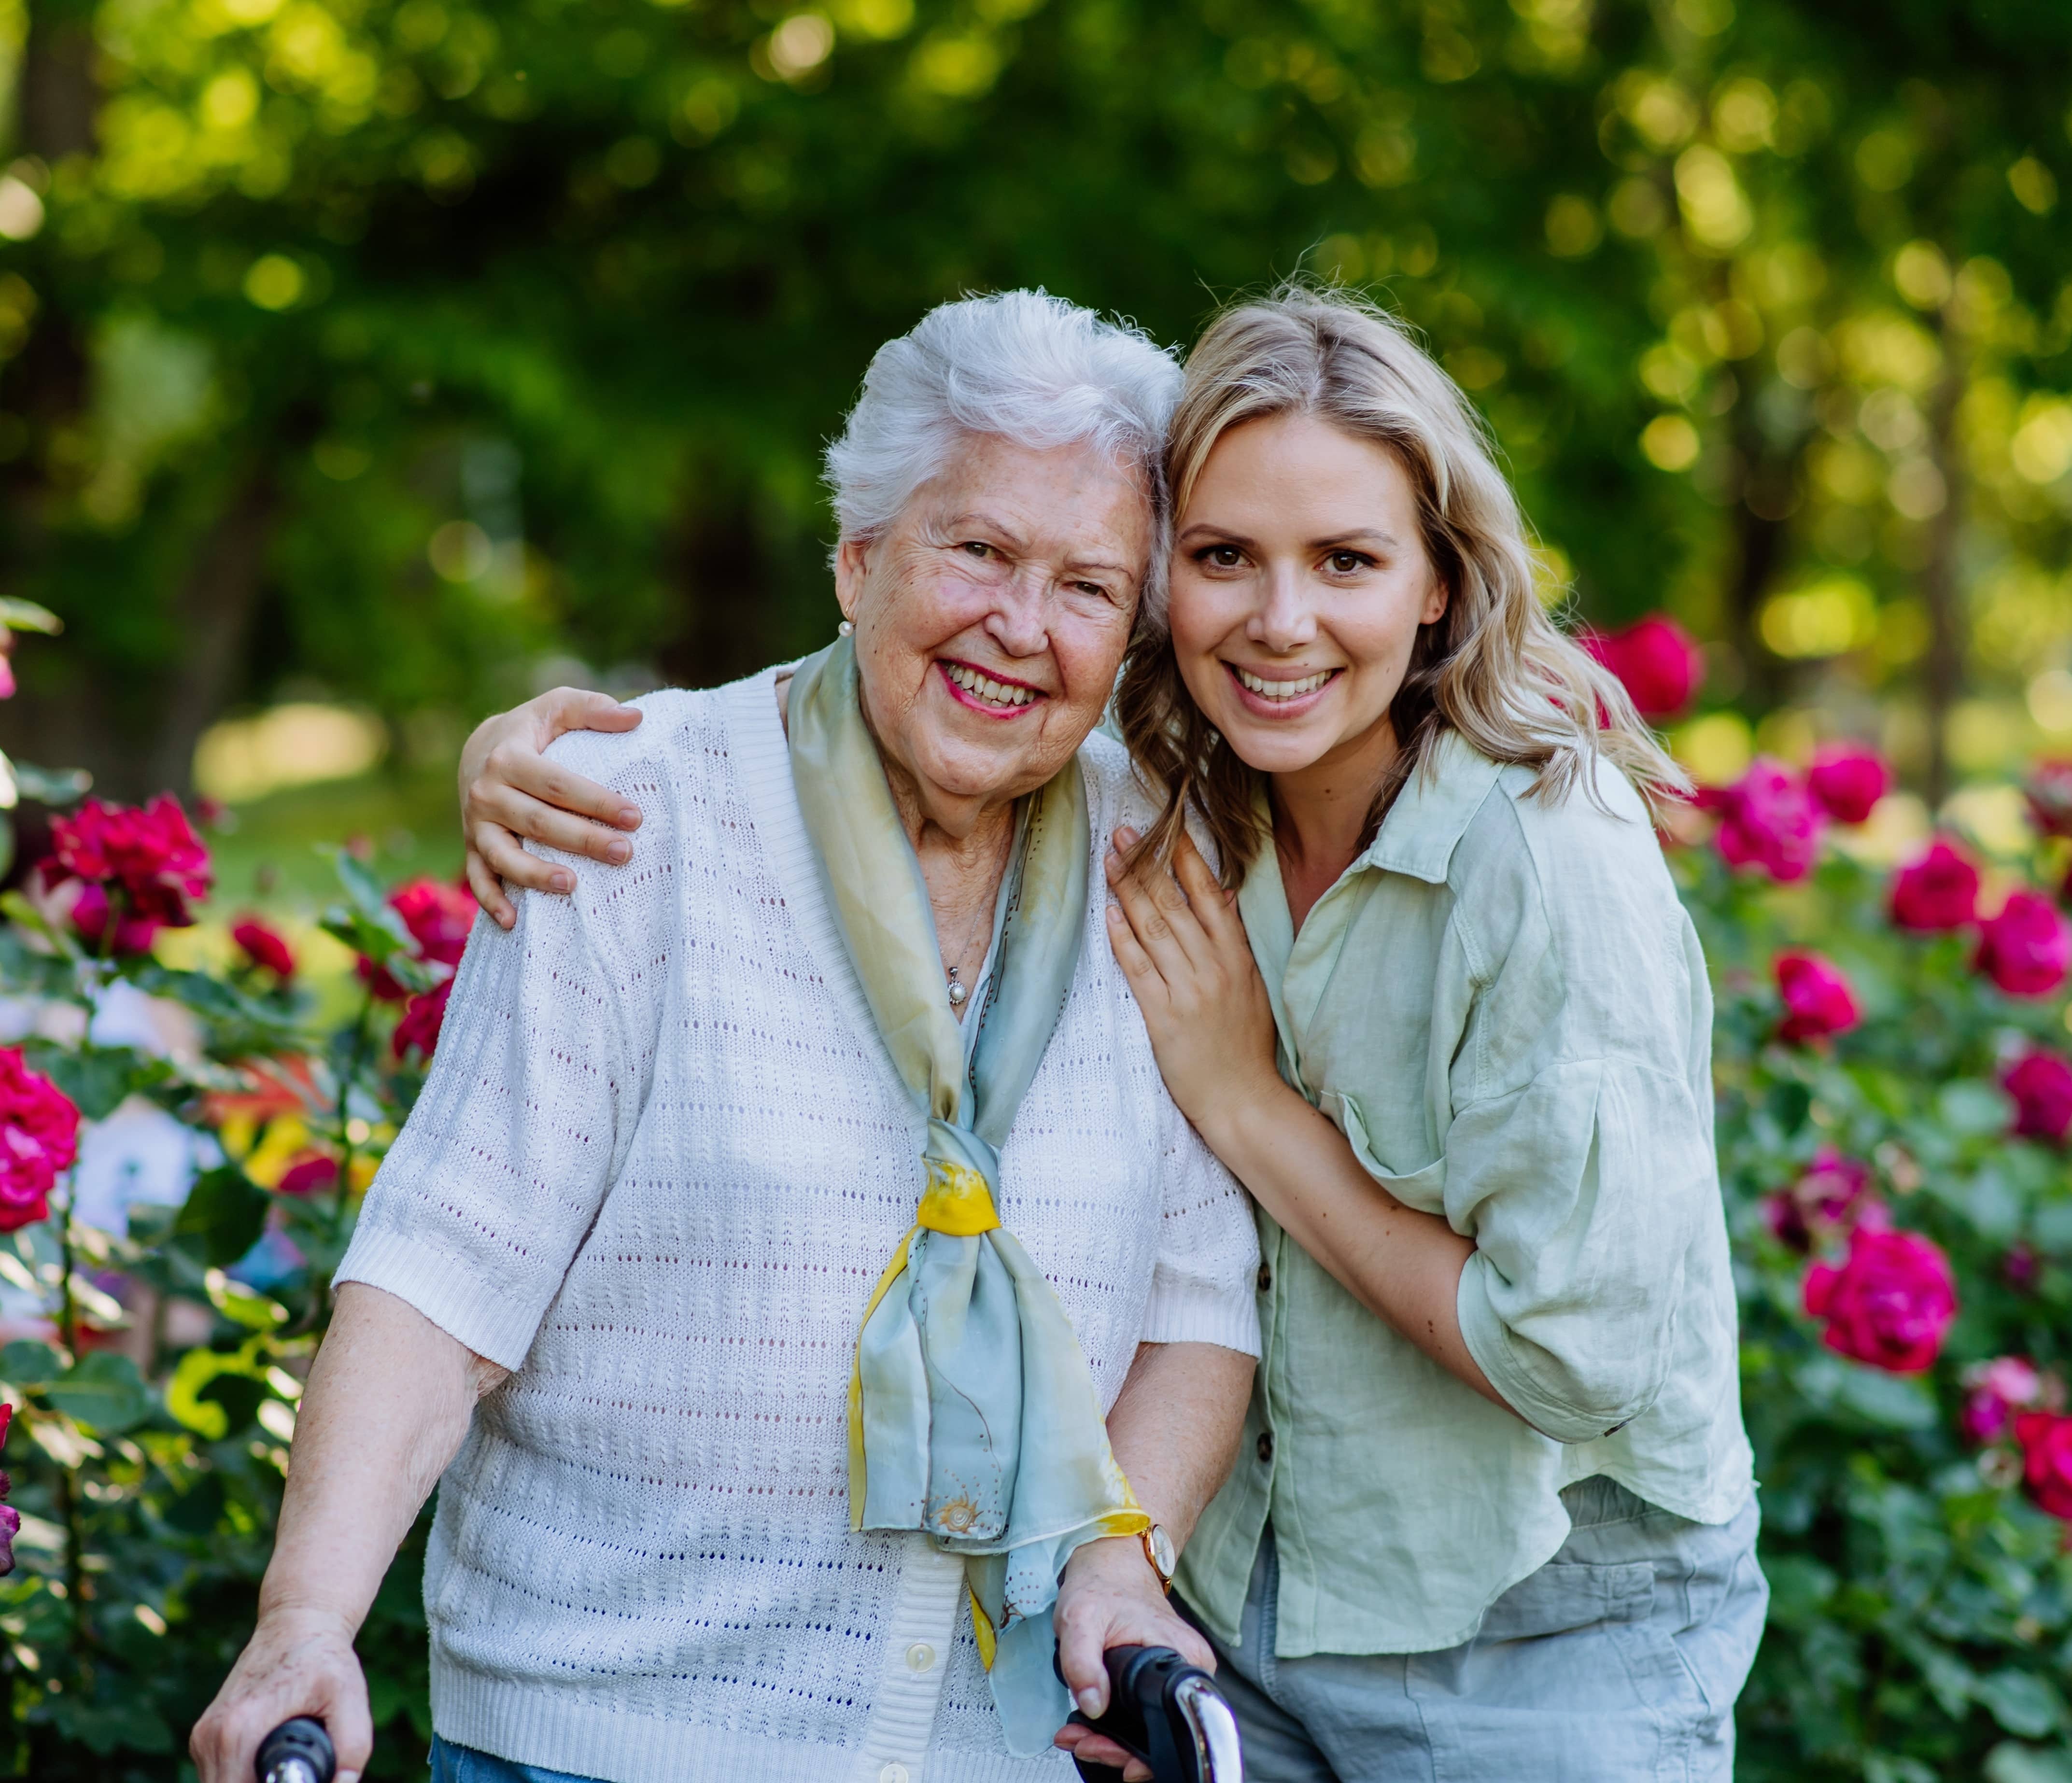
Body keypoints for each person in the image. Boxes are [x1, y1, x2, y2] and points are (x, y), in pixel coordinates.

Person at [462, 283, 1765, 1782]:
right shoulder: (1168, 799)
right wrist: (525, 758)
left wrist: (1243, 1099)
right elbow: (917, 685)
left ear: (1437, 582)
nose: (1280, 623)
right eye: (1222, 559)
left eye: (1345, 560)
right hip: (1235, 1619)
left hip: (1531, 1632)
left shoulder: (1544, 857)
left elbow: (1570, 1352)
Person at [190, 290, 1264, 1783]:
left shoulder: (1154, 862)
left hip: (994, 1749)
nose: (1022, 626)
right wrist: (303, 1624)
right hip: (602, 1734)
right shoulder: (631, 814)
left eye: (1089, 586)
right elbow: (446, 1269)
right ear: (857, 558)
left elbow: (1197, 1297)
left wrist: (1119, 1560)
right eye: (978, 551)